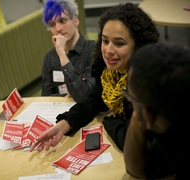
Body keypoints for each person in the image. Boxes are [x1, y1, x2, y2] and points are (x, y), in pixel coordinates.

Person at [30, 3, 159, 152]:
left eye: (119, 43)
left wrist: (109, 120)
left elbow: (131, 141)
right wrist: (64, 124)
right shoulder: (109, 73)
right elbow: (92, 101)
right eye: (105, 41)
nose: (108, 51)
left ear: (138, 46)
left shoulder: (144, 84)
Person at [123, 43, 190, 179]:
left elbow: (138, 171)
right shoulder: (175, 127)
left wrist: (141, 108)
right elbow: (143, 169)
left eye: (129, 96)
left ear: (149, 116)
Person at [41, 0, 96, 102]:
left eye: (62, 21)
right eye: (52, 25)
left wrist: (62, 54)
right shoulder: (50, 58)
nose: (58, 28)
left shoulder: (93, 51)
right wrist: (65, 99)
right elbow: (46, 97)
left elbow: (85, 96)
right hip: (59, 111)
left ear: (75, 21)